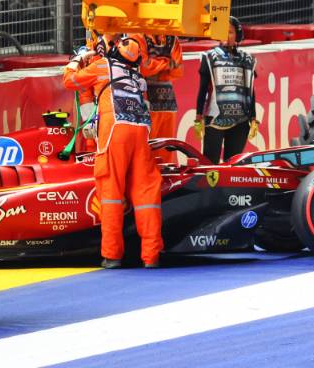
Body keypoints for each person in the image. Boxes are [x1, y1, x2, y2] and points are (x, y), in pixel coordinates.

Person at [63, 32, 169, 269]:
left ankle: (112, 256)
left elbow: (70, 81)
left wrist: (77, 59)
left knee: (110, 193)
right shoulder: (138, 76)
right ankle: (151, 256)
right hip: (141, 133)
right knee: (146, 196)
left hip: (114, 133)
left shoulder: (103, 66)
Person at [195, 17, 258, 163]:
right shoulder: (210, 57)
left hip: (241, 121)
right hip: (215, 119)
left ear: (237, 35)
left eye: (230, 32)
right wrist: (198, 117)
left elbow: (251, 89)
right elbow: (203, 89)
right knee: (210, 164)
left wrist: (253, 117)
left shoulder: (247, 59)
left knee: (234, 164)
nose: (226, 36)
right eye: (223, 32)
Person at [144, 34, 184, 162]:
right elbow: (144, 67)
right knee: (147, 149)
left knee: (167, 150)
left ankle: (167, 181)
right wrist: (167, 63)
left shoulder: (172, 40)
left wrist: (155, 66)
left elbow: (178, 70)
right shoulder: (139, 36)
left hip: (168, 104)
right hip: (147, 103)